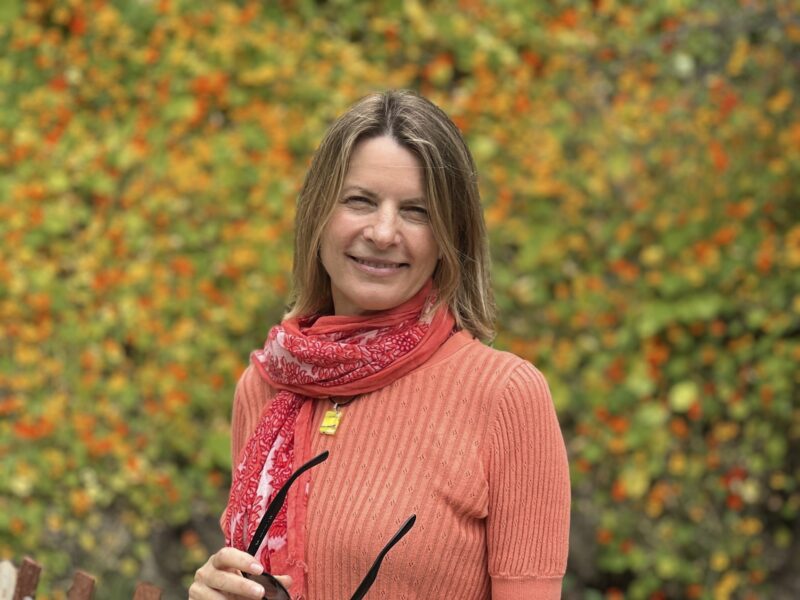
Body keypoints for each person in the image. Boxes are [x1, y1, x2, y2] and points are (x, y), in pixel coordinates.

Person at [189, 90, 570, 600]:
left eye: (416, 211)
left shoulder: (505, 397)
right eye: (360, 201)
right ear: (318, 215)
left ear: (448, 238)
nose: (384, 231)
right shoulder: (266, 388)